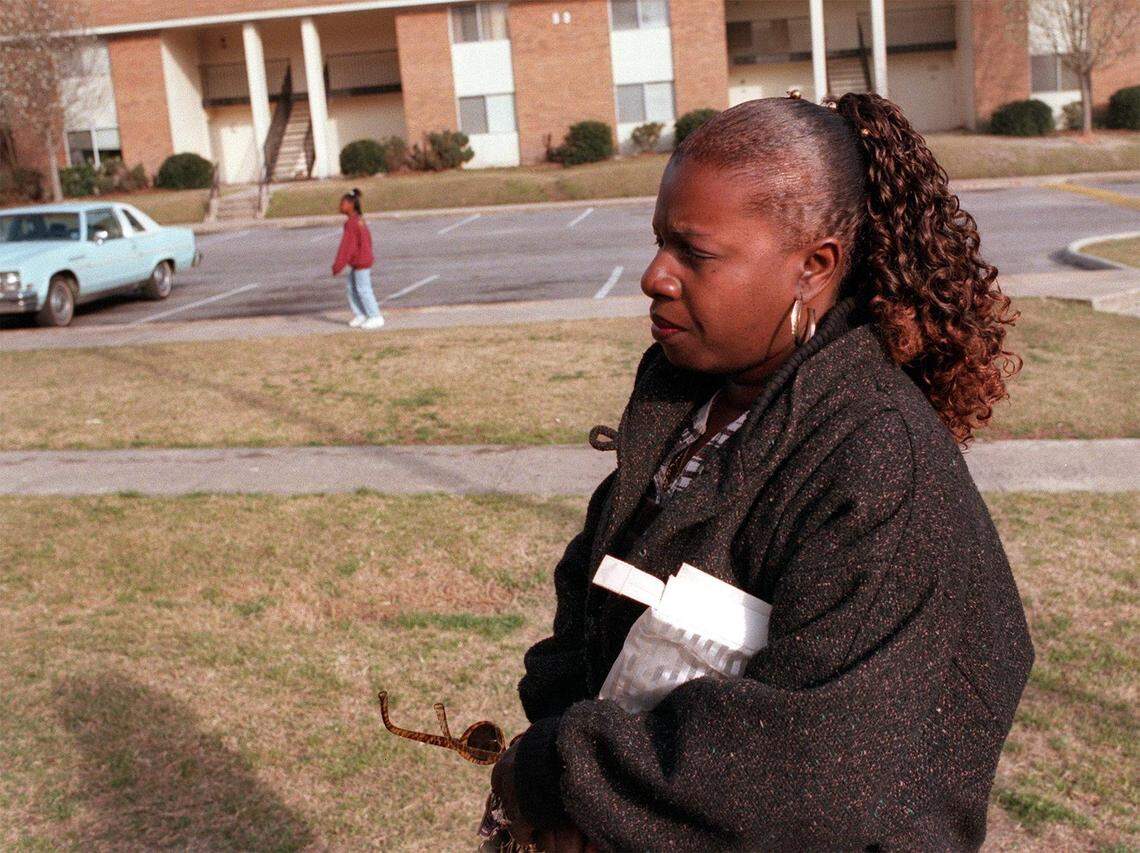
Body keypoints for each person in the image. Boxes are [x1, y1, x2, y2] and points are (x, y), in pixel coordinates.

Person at [487, 92, 1034, 851]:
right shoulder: (689, 405)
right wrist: (563, 771)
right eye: (657, 242)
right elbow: (590, 599)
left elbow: (811, 770)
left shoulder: (876, 464)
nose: (654, 275)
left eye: (694, 252)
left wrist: (558, 773)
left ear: (814, 267)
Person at [332, 188, 384, 330]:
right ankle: (361, 314)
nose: (340, 206)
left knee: (363, 289)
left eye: (343, 203)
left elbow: (347, 246)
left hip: (361, 261)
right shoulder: (356, 221)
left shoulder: (353, 223)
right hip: (358, 261)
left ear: (351, 205)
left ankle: (375, 316)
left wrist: (338, 265)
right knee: (351, 288)